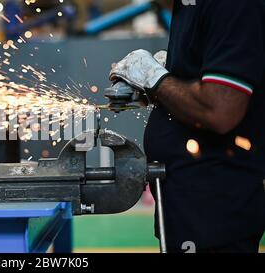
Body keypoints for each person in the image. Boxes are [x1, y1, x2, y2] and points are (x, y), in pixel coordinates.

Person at [110, 0, 265, 253]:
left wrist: (155, 79)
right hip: (187, 205)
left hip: (214, 213)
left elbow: (220, 110)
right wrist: (166, 83)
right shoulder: (186, 5)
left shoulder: (232, 6)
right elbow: (200, 82)